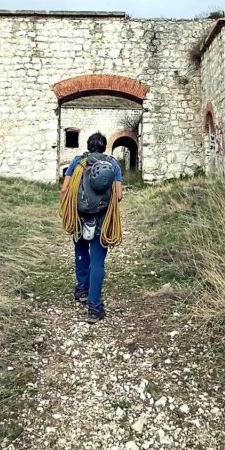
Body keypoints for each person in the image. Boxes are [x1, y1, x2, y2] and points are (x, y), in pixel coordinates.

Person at [60, 132, 123, 323]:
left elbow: (65, 189)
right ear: (104, 147)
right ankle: (94, 308)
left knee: (80, 251)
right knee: (97, 262)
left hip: (79, 217)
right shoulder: (113, 164)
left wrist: (68, 206)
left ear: (88, 146)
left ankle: (82, 289)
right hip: (103, 220)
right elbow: (118, 196)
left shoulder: (78, 162)